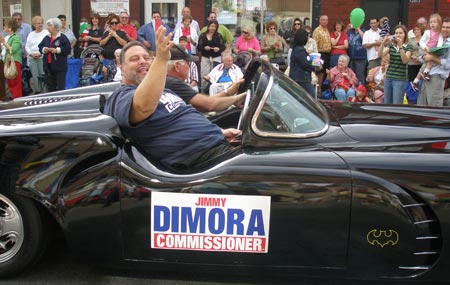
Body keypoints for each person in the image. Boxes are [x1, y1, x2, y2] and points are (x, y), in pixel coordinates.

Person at [103, 29, 242, 172]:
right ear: (121, 66)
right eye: (134, 59)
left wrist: (220, 132)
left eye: (146, 57)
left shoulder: (165, 90)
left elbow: (186, 115)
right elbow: (142, 107)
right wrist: (161, 59)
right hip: (199, 159)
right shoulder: (119, 97)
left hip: (218, 145)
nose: (143, 61)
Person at [166, 44, 246, 113]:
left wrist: (231, 95)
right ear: (177, 66)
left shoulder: (168, 81)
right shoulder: (172, 82)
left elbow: (204, 104)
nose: (189, 66)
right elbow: (208, 105)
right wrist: (234, 96)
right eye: (188, 62)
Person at [417, 17, 450, 107]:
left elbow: (448, 65)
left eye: (448, 27)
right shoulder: (435, 38)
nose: (445, 29)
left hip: (437, 78)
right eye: (443, 27)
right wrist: (424, 57)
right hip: (425, 76)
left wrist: (432, 58)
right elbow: (419, 58)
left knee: (433, 108)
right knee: (421, 107)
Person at [378, 24, 412, 104]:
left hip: (400, 79)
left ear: (405, 34)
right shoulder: (391, 46)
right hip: (389, 77)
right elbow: (380, 55)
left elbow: (405, 60)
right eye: (396, 33)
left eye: (400, 33)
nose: (398, 35)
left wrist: (400, 47)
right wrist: (383, 43)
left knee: (397, 103)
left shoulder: (408, 46)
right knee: (387, 103)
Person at [38, 18, 71, 92]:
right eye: (47, 25)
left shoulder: (62, 37)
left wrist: (57, 50)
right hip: (48, 67)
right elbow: (40, 46)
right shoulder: (47, 37)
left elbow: (68, 49)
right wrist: (44, 49)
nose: (47, 27)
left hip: (59, 67)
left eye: (50, 25)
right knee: (50, 87)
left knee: (60, 87)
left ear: (56, 27)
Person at [197, 20, 226, 92]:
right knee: (204, 74)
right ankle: (204, 91)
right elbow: (199, 47)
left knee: (215, 75)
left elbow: (223, 47)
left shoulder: (219, 36)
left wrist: (218, 49)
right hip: (205, 57)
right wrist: (204, 48)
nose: (213, 28)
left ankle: (213, 90)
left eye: (215, 27)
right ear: (208, 26)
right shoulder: (203, 35)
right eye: (212, 26)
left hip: (216, 57)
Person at [414, 14, 444, 82]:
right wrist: (425, 47)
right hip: (428, 50)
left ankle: (416, 80)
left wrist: (438, 49)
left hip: (435, 51)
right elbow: (422, 41)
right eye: (431, 22)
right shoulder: (427, 32)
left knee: (428, 63)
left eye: (434, 22)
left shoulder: (440, 33)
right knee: (430, 62)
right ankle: (425, 73)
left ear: (439, 23)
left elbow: (440, 42)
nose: (432, 24)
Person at [289, 29, 317, 97]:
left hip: (300, 78)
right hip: (301, 79)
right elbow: (305, 63)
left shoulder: (297, 49)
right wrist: (314, 65)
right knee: (310, 97)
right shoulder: (299, 50)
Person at [25, 16, 49, 94]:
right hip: (32, 57)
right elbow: (27, 46)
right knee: (35, 76)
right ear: (34, 24)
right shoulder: (31, 34)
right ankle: (37, 91)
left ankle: (44, 91)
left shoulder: (46, 33)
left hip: (42, 56)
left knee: (43, 74)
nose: (40, 24)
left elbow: (47, 45)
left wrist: (40, 53)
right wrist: (31, 53)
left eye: (41, 23)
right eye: (38, 23)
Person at [0, 18, 22, 99]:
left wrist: (3, 42)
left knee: (15, 81)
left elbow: (13, 49)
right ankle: (13, 97)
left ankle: (17, 98)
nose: (4, 28)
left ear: (10, 27)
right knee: (10, 82)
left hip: (14, 61)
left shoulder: (16, 37)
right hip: (6, 61)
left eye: (5, 26)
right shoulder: (6, 37)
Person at [313, 15, 332, 91]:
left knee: (324, 73)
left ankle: (320, 89)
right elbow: (314, 46)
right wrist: (317, 60)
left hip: (327, 54)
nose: (325, 21)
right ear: (320, 21)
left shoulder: (326, 30)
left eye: (326, 20)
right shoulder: (317, 31)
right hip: (319, 53)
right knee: (318, 72)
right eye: (323, 20)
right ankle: (316, 90)